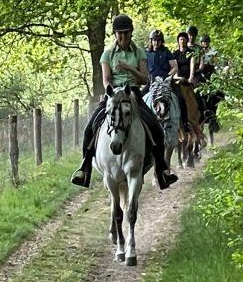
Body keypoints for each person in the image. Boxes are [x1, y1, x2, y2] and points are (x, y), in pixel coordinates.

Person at [71, 14, 179, 190]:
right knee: (90, 127)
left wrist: (129, 68)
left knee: (155, 127)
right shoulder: (107, 54)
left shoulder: (139, 52)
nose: (122, 37)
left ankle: (162, 171)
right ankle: (85, 169)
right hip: (113, 95)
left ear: (131, 33)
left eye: (126, 33)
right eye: (119, 34)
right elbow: (106, 79)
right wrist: (112, 92)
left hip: (134, 94)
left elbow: (145, 79)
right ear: (114, 34)